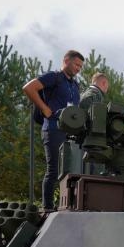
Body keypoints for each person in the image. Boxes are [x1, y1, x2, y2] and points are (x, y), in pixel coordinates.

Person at [22, 49, 84, 209]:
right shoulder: (54, 76)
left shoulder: (75, 84)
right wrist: (44, 108)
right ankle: (47, 207)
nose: (78, 68)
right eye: (76, 64)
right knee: (54, 169)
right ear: (66, 61)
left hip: (71, 133)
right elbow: (29, 88)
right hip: (53, 128)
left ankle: (65, 205)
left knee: (69, 170)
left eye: (80, 67)